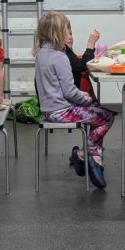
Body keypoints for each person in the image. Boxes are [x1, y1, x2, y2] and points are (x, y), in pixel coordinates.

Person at [34, 11, 115, 190]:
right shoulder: (60, 57)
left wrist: (81, 97)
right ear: (57, 33)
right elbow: (70, 92)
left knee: (97, 115)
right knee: (107, 116)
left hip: (48, 111)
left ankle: (94, 159)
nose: (70, 34)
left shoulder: (41, 54)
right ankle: (87, 154)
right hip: (61, 112)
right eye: (67, 30)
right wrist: (86, 99)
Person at [65, 25, 100, 95]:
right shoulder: (62, 52)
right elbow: (83, 65)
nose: (70, 37)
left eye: (70, 34)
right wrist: (91, 43)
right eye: (64, 35)